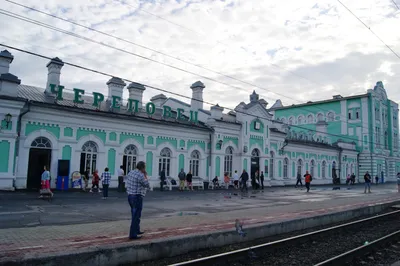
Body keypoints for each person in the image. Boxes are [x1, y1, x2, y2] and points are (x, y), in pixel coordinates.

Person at [126, 161, 150, 240]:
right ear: (143, 168)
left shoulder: (131, 172)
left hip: (130, 196)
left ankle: (137, 230)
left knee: (136, 214)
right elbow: (147, 184)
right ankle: (133, 234)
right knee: (136, 216)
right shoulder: (140, 175)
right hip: (137, 196)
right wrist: (145, 175)